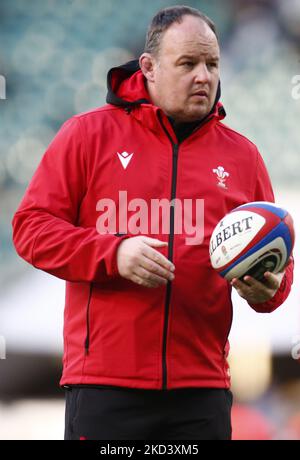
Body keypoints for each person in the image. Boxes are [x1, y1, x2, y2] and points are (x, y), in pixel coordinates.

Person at [12, 5, 294, 440]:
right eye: (188, 63)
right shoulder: (87, 136)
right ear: (149, 67)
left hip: (202, 390)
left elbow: (277, 267)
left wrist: (270, 290)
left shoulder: (243, 156)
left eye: (212, 64)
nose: (203, 76)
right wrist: (113, 252)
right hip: (106, 387)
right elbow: (30, 227)